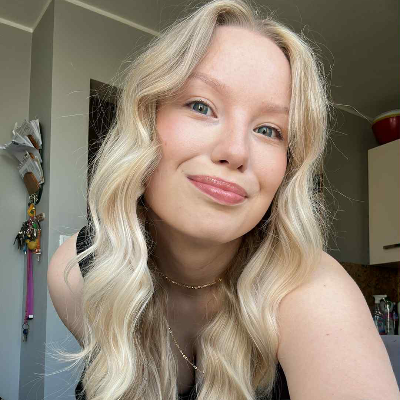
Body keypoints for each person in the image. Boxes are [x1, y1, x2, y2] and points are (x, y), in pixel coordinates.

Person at [47, 0, 400, 399]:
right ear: (145, 120)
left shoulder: (316, 294)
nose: (235, 151)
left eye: (269, 130)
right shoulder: (78, 274)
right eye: (201, 106)